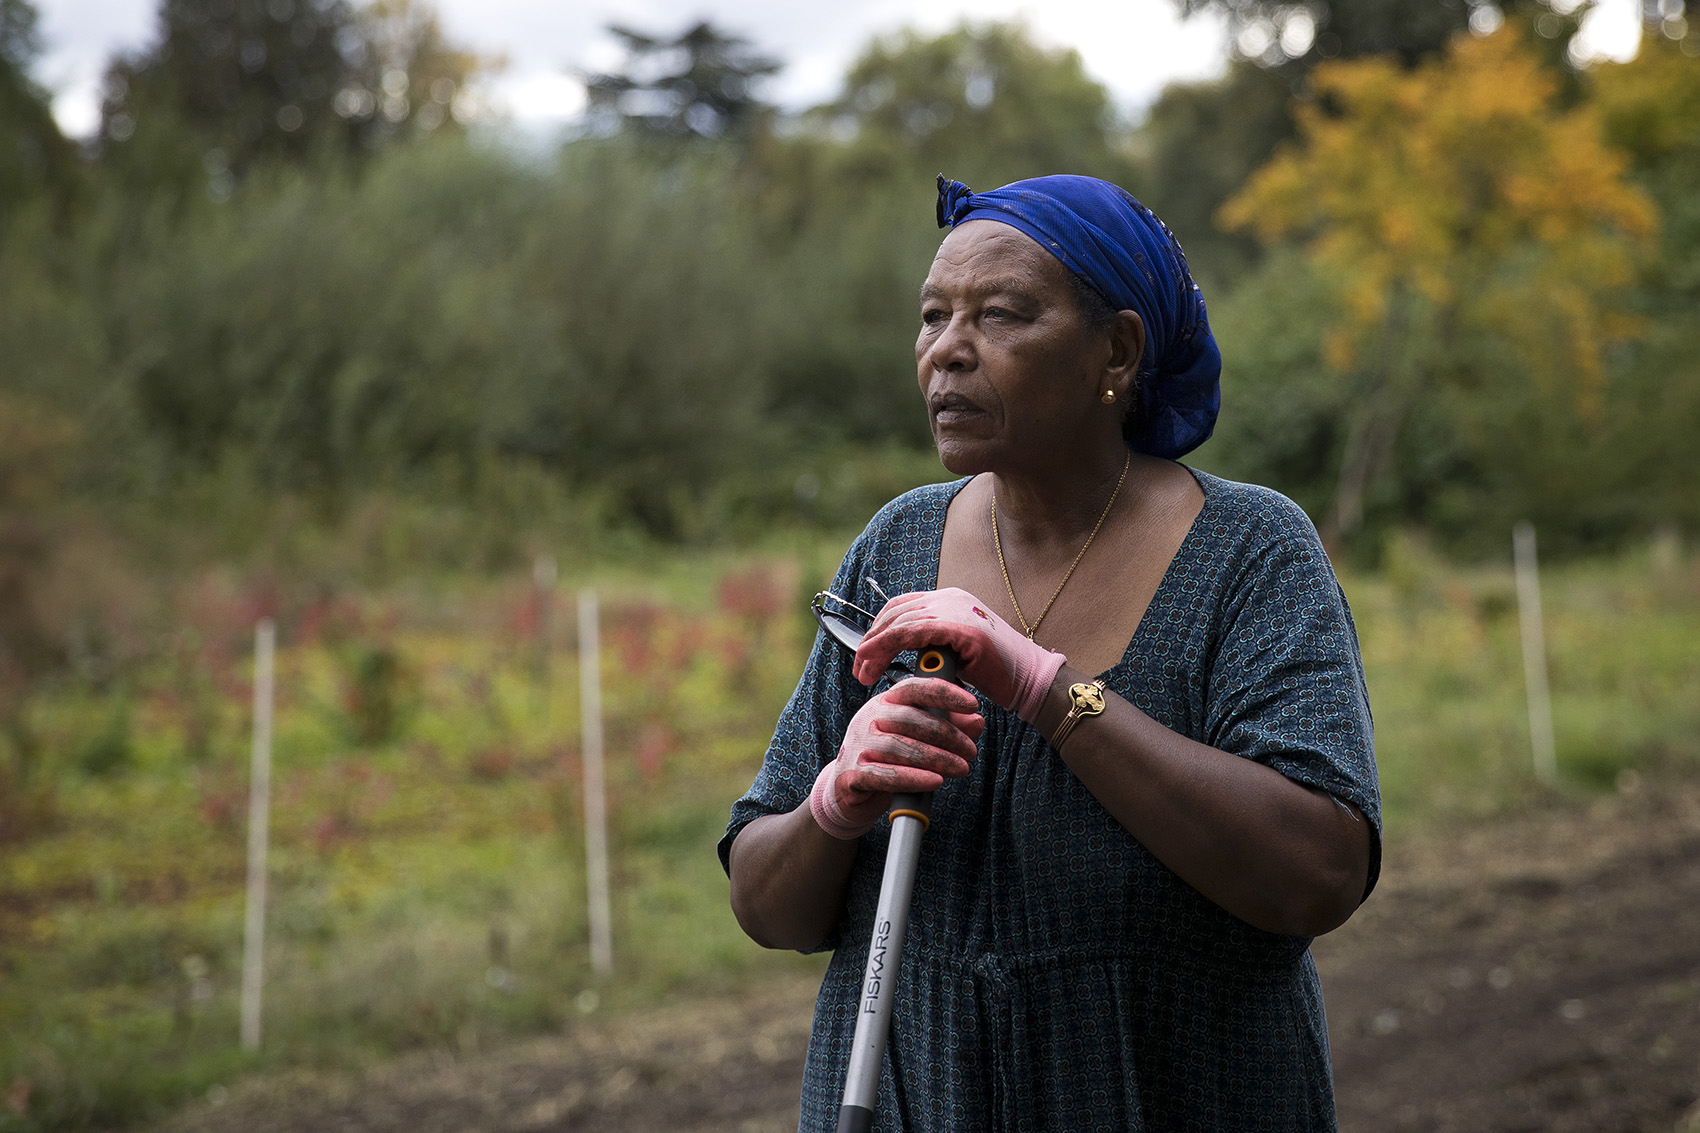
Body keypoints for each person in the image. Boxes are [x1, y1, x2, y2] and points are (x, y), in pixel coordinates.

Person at [720, 174, 1380, 1131]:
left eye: (1001, 315)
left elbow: (1317, 872)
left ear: (1115, 348)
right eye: (934, 315)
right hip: (911, 1097)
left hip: (1171, 1093)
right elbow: (767, 906)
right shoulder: (896, 544)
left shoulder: (1248, 550)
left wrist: (1040, 683)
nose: (947, 350)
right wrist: (836, 799)